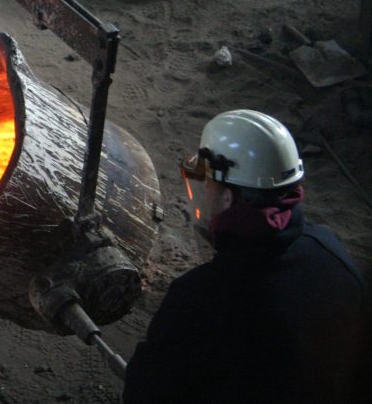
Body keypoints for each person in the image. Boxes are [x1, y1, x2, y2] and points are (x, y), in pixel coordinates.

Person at [123, 110, 369, 403]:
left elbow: (145, 391)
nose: (201, 189)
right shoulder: (330, 252)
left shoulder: (201, 297)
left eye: (207, 180)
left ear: (227, 197)